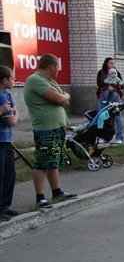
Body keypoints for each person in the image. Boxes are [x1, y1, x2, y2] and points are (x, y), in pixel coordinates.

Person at [23, 54, 77, 208]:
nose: (58, 70)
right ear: (52, 67)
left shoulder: (50, 81)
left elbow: (65, 100)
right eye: (57, 67)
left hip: (57, 127)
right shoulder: (35, 80)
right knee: (42, 162)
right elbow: (60, 99)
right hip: (45, 129)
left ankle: (57, 191)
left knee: (54, 161)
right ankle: (40, 197)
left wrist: (64, 96)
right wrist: (64, 96)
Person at [0, 65, 20, 219]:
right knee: (2, 175)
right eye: (12, 78)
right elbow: (12, 121)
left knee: (9, 174)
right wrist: (16, 113)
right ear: (4, 80)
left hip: (7, 139)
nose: (14, 81)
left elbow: (12, 113)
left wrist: (13, 112)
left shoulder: (6, 95)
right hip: (1, 141)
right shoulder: (2, 97)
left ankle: (4, 206)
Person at [98, 69, 124, 144]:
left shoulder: (117, 74)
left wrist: (115, 85)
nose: (113, 64)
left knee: (117, 117)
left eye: (114, 63)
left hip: (115, 96)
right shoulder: (101, 72)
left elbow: (122, 85)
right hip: (104, 97)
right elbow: (99, 83)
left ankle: (119, 138)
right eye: (111, 63)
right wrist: (108, 85)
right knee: (104, 117)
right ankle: (105, 138)